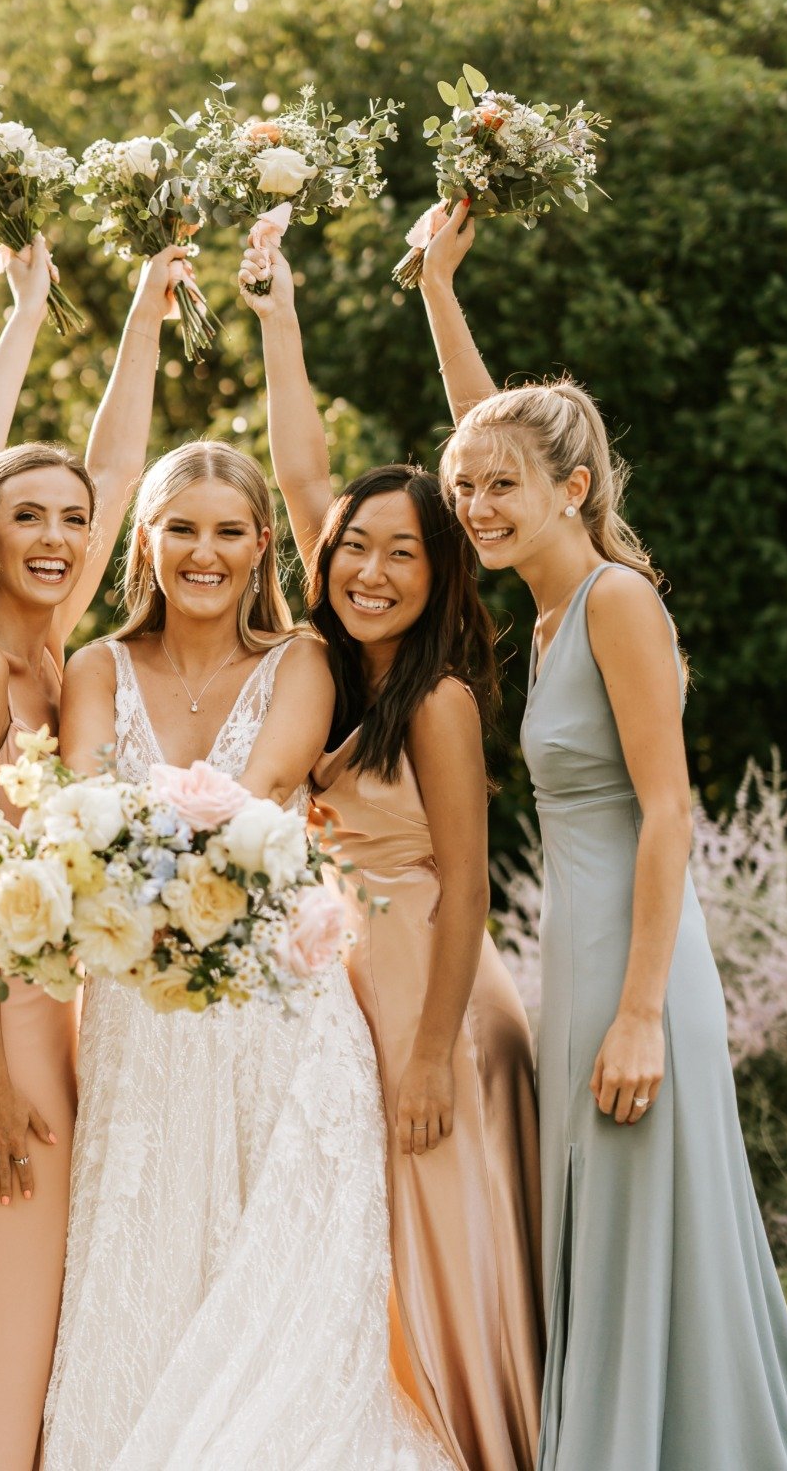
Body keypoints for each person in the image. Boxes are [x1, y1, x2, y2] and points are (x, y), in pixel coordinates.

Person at [422, 199, 787, 1471]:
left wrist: (644, 1009)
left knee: (642, 1216)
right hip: (588, 961)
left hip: (637, 970)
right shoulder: (548, 613)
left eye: (505, 490)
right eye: (467, 490)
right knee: (602, 1223)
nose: (479, 507)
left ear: (576, 489)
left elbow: (671, 811)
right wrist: (439, 290)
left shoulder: (616, 605)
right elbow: (488, 437)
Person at [41, 441, 448, 1470]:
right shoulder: (95, 668)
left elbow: (260, 796)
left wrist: (125, 845)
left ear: (264, 544)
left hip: (276, 1007)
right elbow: (79, 808)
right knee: (145, 1242)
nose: (205, 552)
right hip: (138, 1009)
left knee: (273, 1265)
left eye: (229, 531)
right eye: (182, 527)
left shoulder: (301, 661)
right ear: (146, 539)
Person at [242, 241, 544, 1471]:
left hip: (434, 983)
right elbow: (302, 468)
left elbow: (470, 881)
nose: (370, 569)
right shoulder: (332, 655)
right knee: (367, 1230)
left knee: (439, 1225)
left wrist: (429, 1055)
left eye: (403, 553)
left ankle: (481, 1438)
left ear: (441, 570)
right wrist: (280, 314)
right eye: (354, 547)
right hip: (346, 966)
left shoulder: (440, 699)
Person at [0, 237, 186, 1470]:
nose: (63, 533)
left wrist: (143, 312)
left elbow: (118, 462)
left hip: (44, 994)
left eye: (75, 519)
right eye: (31, 517)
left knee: (43, 1282)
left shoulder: (60, 645)